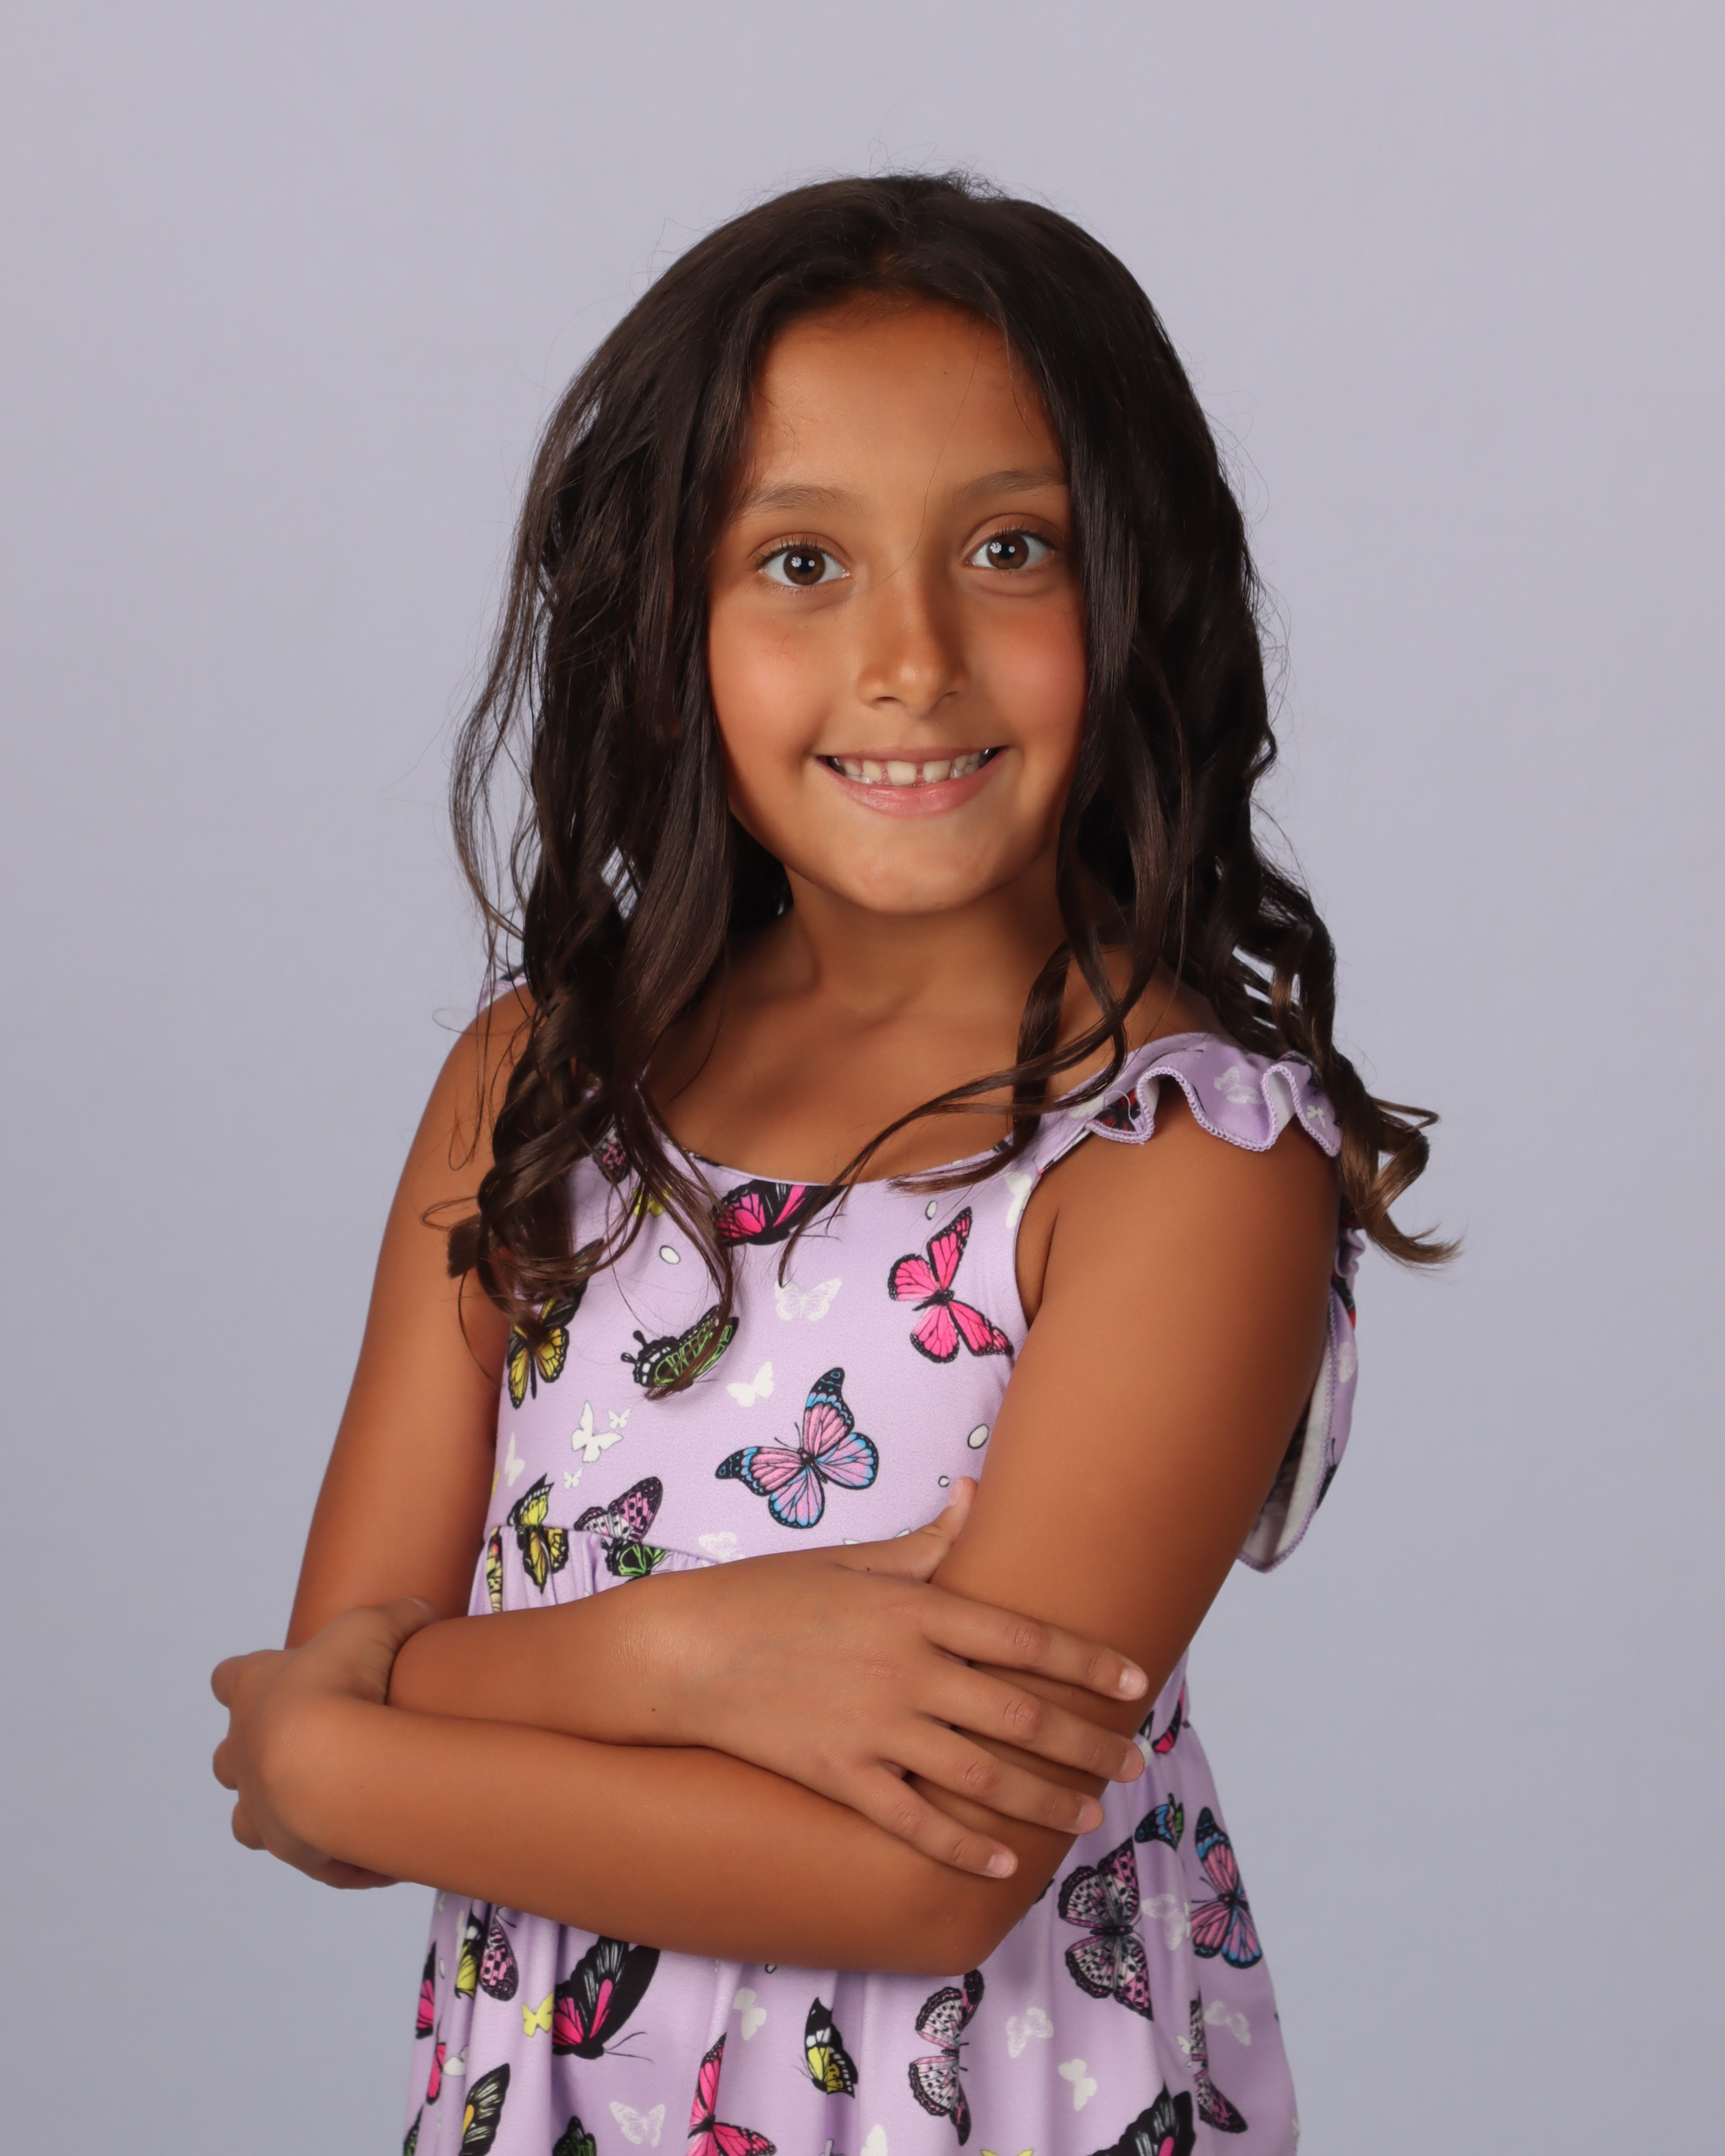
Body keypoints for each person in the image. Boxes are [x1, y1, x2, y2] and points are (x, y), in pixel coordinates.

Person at [210, 173, 1442, 2156]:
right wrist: (688, 1654)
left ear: (1139, 596)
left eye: (1010, 549)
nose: (909, 658)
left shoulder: (1181, 1155)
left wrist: (355, 1745)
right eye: (800, 560)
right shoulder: (535, 1085)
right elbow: (312, 1705)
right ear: (666, 623)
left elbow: (921, 1873)